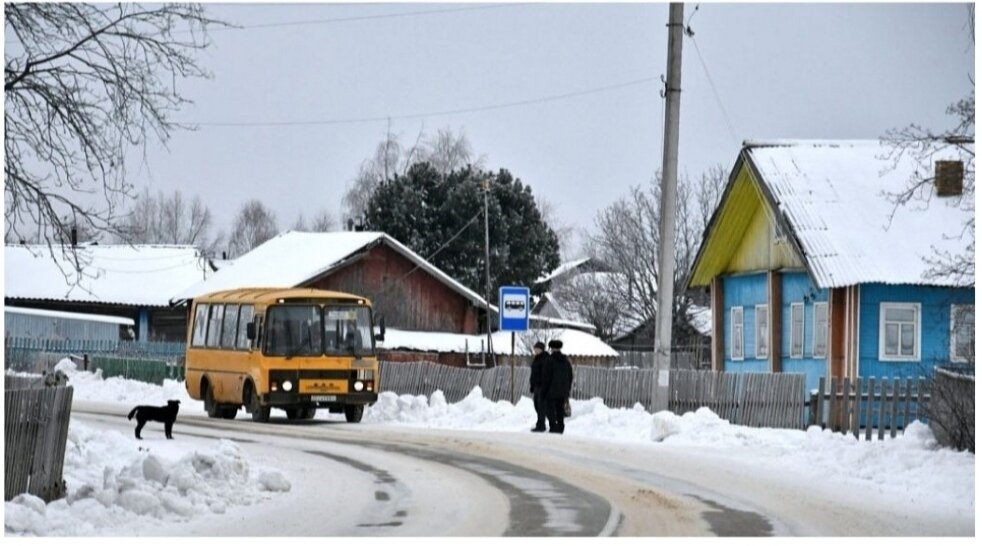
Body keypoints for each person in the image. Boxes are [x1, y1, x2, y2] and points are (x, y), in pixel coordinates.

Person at [541, 339, 573, 434]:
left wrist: (543, 391)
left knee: (550, 409)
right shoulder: (566, 361)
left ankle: (553, 427)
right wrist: (567, 389)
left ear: (551, 348)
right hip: (563, 391)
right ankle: (560, 426)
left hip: (551, 391)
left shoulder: (549, 361)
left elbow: (546, 377)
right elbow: (570, 376)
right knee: (560, 409)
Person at [528, 341, 548, 432]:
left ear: (541, 349)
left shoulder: (545, 358)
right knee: (537, 405)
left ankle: (541, 425)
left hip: (543, 386)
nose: (535, 350)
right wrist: (532, 385)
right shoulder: (536, 358)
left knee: (541, 406)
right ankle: (541, 423)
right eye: (534, 348)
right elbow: (534, 373)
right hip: (536, 385)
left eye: (537, 349)